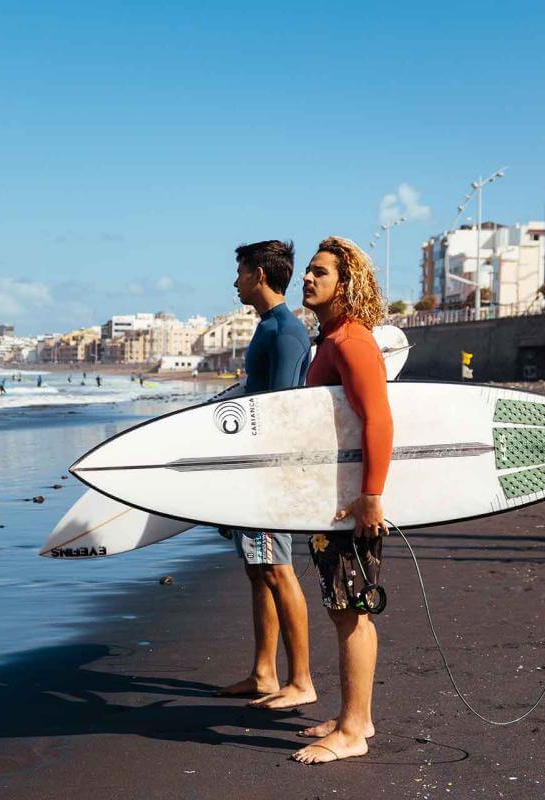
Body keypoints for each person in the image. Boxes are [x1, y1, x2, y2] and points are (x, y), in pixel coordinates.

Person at [291, 236, 393, 765]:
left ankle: (354, 730)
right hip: (332, 501)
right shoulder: (329, 340)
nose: (307, 278)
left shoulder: (351, 341)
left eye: (320, 272)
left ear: (345, 284)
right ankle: (356, 715)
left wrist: (371, 496)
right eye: (307, 271)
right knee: (340, 607)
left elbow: (378, 418)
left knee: (352, 609)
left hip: (352, 504)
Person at [216, 240, 315, 711]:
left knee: (278, 570)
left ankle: (301, 681)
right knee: (259, 571)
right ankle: (263, 672)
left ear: (258, 274)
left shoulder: (286, 331)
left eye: (238, 273)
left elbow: (279, 411)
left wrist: (260, 481)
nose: (234, 282)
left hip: (269, 476)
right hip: (252, 473)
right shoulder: (269, 327)